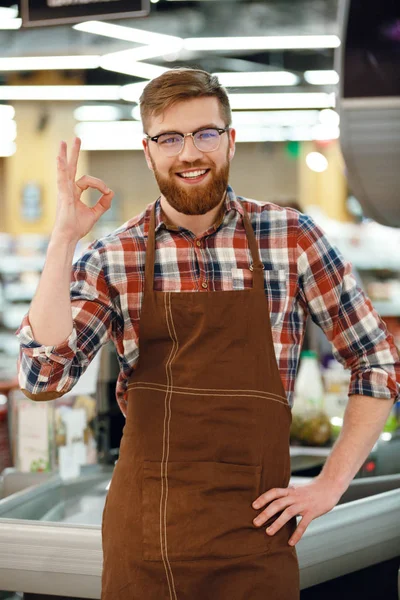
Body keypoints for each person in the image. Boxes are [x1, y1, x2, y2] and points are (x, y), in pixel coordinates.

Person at [16, 67, 400, 600]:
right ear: (148, 152)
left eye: (205, 133)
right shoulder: (114, 257)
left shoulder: (290, 238)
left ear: (231, 141)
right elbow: (43, 377)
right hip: (145, 540)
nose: (189, 152)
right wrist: (63, 239)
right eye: (169, 138)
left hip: (257, 538)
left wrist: (331, 484)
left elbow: (376, 360)